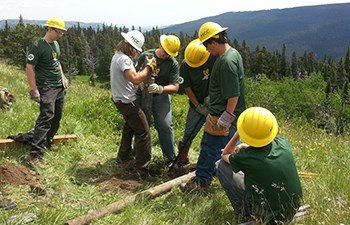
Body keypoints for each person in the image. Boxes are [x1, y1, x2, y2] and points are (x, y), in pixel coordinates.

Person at [181, 22, 246, 191]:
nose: (207, 50)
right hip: (229, 115)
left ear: (213, 42)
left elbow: (233, 94)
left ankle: (201, 181)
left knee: (209, 147)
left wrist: (225, 118)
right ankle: (231, 177)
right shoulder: (232, 54)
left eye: (206, 46)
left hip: (221, 115)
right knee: (230, 148)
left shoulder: (227, 62)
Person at [215, 107, 303, 224]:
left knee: (220, 165)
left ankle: (245, 213)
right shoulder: (282, 143)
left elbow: (225, 154)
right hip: (291, 208)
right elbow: (264, 151)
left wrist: (237, 135)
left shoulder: (246, 157)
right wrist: (247, 146)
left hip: (268, 217)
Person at [110, 30, 157, 180]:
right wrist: (148, 68)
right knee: (144, 133)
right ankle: (142, 170)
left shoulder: (117, 56)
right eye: (136, 50)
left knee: (129, 126)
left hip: (121, 99)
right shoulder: (124, 59)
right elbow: (135, 79)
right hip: (127, 101)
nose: (136, 53)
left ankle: (123, 156)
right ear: (131, 47)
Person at [24, 16, 68, 164]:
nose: (60, 35)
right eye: (58, 32)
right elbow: (30, 67)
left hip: (58, 87)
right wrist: (33, 90)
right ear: (49, 29)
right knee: (46, 117)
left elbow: (57, 62)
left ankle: (46, 142)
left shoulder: (55, 44)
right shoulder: (37, 46)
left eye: (62, 33)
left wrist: (63, 78)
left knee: (57, 117)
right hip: (46, 87)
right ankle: (35, 154)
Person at [135, 34, 181, 164]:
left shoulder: (172, 64)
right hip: (142, 94)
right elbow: (135, 73)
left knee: (165, 126)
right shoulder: (146, 56)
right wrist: (140, 83)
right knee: (140, 126)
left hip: (161, 97)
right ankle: (138, 155)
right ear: (161, 46)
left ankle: (170, 158)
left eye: (170, 54)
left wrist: (160, 89)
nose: (167, 56)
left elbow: (175, 87)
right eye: (166, 52)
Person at [176, 39, 216, 166]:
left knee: (215, 132)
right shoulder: (184, 65)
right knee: (189, 132)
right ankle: (182, 156)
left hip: (214, 103)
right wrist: (198, 106)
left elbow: (218, 78)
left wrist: (212, 96)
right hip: (196, 104)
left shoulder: (212, 58)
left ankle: (214, 160)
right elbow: (187, 87)